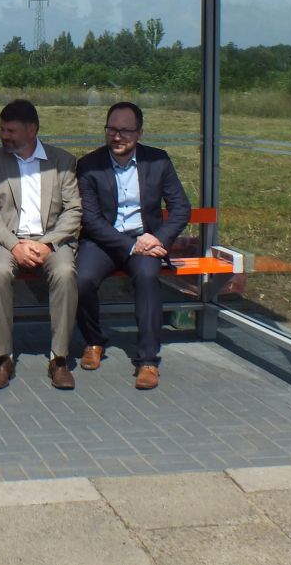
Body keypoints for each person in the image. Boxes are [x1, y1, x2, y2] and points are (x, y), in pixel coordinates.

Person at [75, 101, 191, 391]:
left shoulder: (158, 161)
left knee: (148, 277)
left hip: (146, 240)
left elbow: (180, 208)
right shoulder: (89, 165)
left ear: (139, 132)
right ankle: (94, 341)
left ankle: (148, 360)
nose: (117, 137)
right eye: (112, 129)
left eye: (125, 131)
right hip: (103, 242)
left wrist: (158, 239)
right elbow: (91, 219)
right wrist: (131, 245)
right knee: (81, 280)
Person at [0, 99, 82, 390]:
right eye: (2, 129)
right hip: (6, 240)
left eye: (10, 130)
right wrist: (15, 246)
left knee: (65, 273)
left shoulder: (62, 161)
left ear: (32, 130)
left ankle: (59, 358)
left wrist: (47, 244)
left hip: (51, 241)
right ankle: (2, 358)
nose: (3, 135)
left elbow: (74, 210)